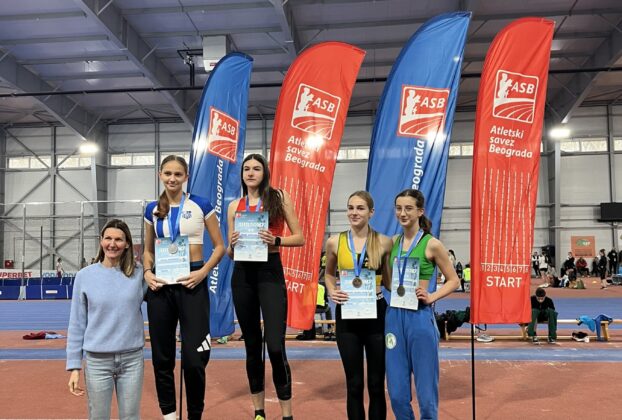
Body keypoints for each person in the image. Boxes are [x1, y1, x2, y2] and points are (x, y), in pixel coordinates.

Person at [143, 155, 225, 420]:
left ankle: (194, 415)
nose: (172, 178)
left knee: (194, 358)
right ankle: (169, 415)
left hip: (192, 282)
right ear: (160, 175)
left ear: (186, 177)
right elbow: (147, 251)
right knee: (162, 357)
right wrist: (147, 273)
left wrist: (203, 272)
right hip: (161, 286)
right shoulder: (151, 209)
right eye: (167, 173)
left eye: (178, 174)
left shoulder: (201, 204)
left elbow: (220, 246)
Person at [227, 154, 304, 420]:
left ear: (265, 172)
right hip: (242, 275)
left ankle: (286, 414)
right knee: (252, 346)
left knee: (275, 346)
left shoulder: (278, 198)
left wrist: (277, 240)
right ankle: (259, 412)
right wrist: (232, 245)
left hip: (270, 272)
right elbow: (229, 252)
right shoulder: (234, 206)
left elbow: (300, 237)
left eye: (256, 168)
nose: (250, 173)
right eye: (246, 169)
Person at [384, 189, 460, 420]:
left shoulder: (432, 244)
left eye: (408, 208)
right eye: (399, 208)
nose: (403, 213)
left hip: (419, 317)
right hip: (394, 317)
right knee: (396, 394)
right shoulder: (392, 242)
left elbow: (454, 280)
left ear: (420, 211)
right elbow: (388, 281)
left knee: (426, 395)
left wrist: (432, 296)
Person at [66, 219, 146, 419]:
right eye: (108, 238)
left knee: (131, 417)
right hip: (97, 362)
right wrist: (74, 366)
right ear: (100, 240)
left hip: (132, 360)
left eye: (118, 239)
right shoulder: (84, 276)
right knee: (99, 417)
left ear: (127, 244)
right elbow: (77, 323)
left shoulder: (139, 274)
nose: (112, 244)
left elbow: (162, 298)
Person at [324, 191, 393, 420]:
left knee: (376, 384)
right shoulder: (335, 242)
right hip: (348, 316)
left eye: (360, 208)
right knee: (353, 384)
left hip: (376, 316)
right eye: (351, 207)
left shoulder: (384, 242)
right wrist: (332, 290)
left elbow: (390, 282)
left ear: (371, 212)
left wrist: (412, 289)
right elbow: (329, 274)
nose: (354, 212)